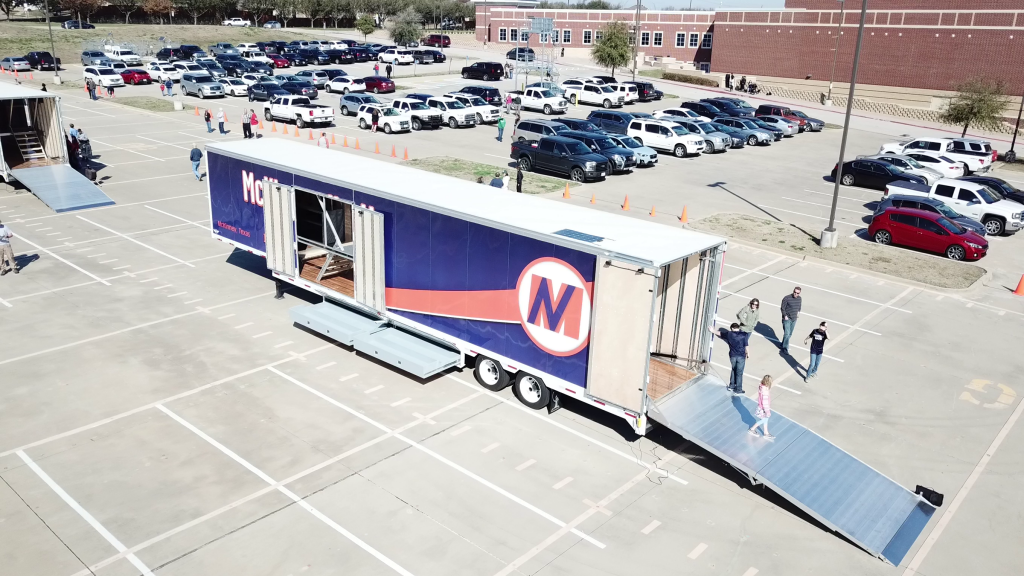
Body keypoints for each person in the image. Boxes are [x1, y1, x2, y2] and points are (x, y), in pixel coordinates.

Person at [710, 323, 748, 395]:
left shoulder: (729, 334)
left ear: (732, 328)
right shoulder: (744, 335)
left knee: (733, 370)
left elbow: (720, 333)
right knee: (739, 373)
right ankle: (738, 389)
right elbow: (746, 345)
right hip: (741, 356)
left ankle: (731, 386)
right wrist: (748, 353)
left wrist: (712, 330)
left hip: (732, 355)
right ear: (738, 327)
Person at [748, 375, 774, 439]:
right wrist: (767, 412)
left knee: (765, 420)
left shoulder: (761, 387)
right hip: (763, 409)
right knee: (763, 420)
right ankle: (752, 429)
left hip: (760, 407)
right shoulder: (765, 391)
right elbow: (765, 403)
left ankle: (766, 432)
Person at [780, 286, 802, 353]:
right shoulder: (787, 298)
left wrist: (798, 312)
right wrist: (785, 316)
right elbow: (782, 308)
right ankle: (785, 348)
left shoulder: (799, 299)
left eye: (797, 293)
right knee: (787, 333)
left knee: (790, 334)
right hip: (787, 319)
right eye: (794, 292)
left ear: (799, 293)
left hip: (794, 319)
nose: (796, 294)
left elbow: (799, 307)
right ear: (793, 291)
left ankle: (783, 344)